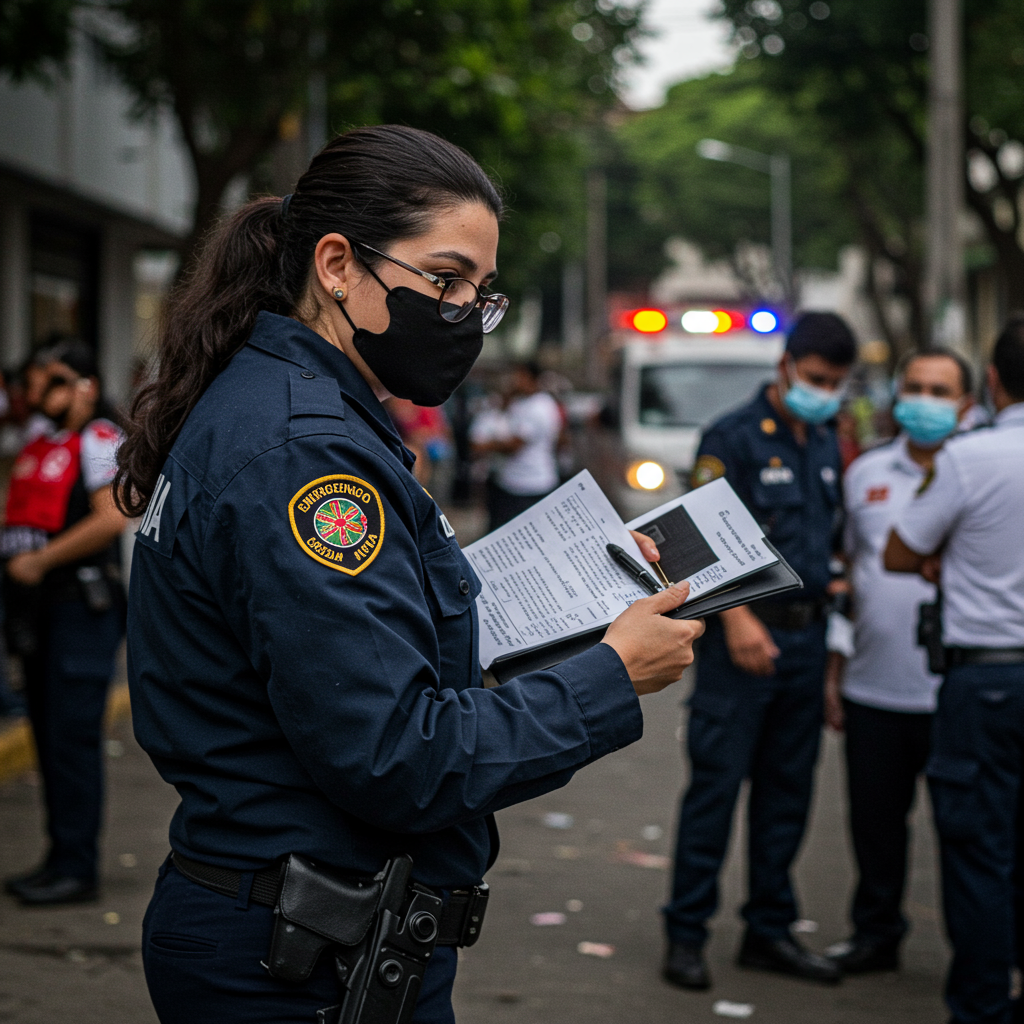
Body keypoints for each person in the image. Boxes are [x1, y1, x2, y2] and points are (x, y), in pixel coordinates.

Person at [115, 125, 704, 1024]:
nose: (464, 311)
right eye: (443, 279)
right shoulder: (308, 455)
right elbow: (397, 756)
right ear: (338, 264)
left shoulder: (296, 408)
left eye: (479, 290)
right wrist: (609, 675)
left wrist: (575, 598)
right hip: (295, 961)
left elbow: (355, 638)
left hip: (300, 934)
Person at [662, 311, 857, 991]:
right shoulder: (733, 438)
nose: (823, 391)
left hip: (805, 640)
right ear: (785, 367)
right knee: (716, 791)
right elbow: (690, 541)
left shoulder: (829, 439)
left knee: (787, 795)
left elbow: (824, 537)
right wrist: (739, 620)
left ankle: (768, 932)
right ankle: (685, 933)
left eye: (834, 383)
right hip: (741, 643)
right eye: (814, 379)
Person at [885, 317, 1024, 1024]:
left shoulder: (972, 459)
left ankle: (982, 1008)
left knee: (979, 852)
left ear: (993, 383)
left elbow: (900, 553)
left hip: (988, 682)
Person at [823, 349, 974, 974]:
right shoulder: (866, 474)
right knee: (876, 828)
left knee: (967, 835)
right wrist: (834, 670)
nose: (924, 401)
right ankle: (875, 935)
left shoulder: (984, 471)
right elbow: (844, 573)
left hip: (957, 692)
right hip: (873, 688)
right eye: (914, 387)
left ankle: (977, 954)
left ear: (967, 403)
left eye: (940, 390)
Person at [1, 342, 127, 905]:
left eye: (52, 382)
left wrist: (42, 561)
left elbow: (113, 516)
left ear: (85, 387)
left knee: (72, 741)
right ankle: (58, 857)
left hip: (81, 607)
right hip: (40, 613)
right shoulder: (38, 441)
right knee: (50, 738)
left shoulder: (100, 439)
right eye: (34, 383)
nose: (37, 393)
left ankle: (77, 866)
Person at [472, 361, 562, 530]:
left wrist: (486, 445)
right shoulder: (523, 403)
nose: (514, 381)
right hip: (512, 482)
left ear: (530, 377)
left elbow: (513, 446)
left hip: (529, 485)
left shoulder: (539, 407)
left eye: (519, 376)